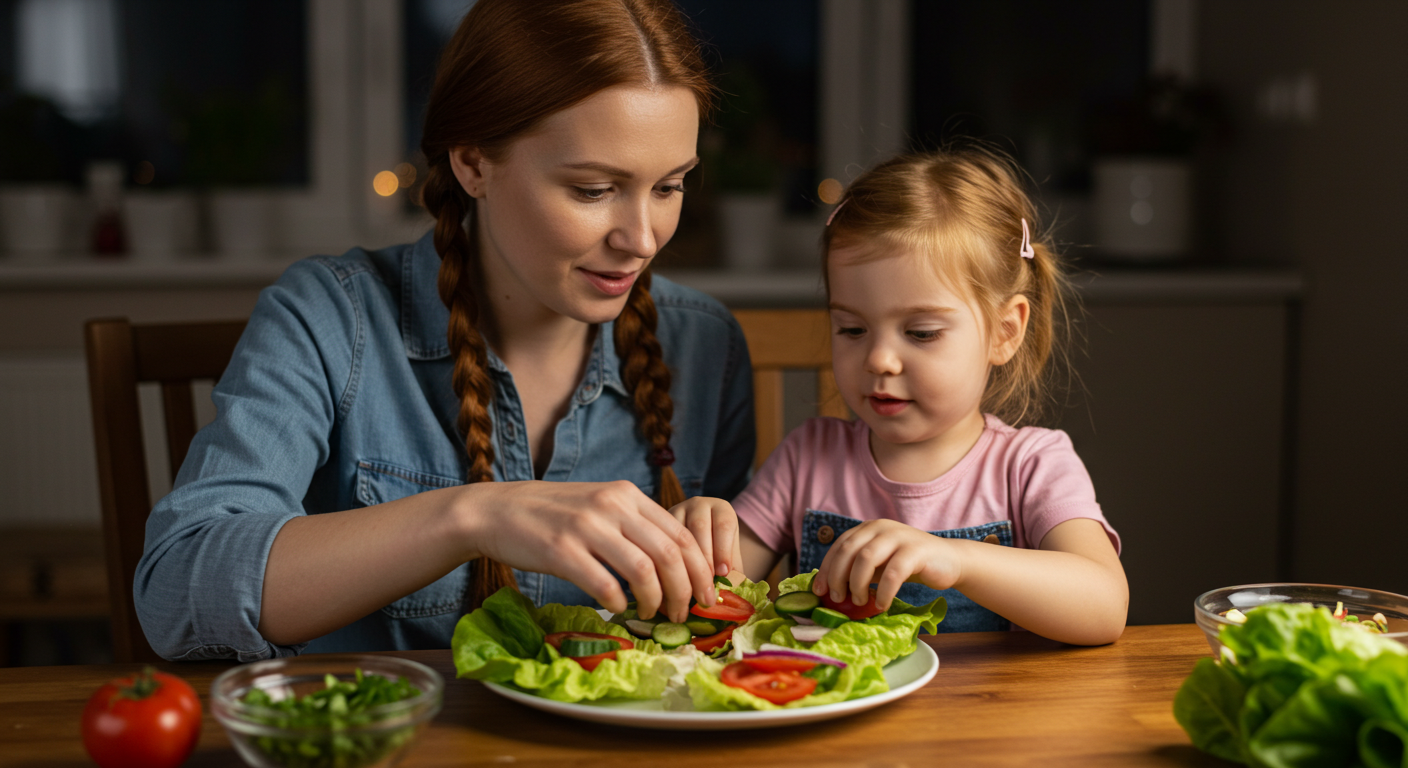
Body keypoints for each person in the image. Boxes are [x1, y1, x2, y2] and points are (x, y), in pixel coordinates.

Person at [134, 0, 754, 661]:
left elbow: (720, 641)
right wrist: (474, 516)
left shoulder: (705, 345)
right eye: (593, 189)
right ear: (472, 163)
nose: (642, 240)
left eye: (669, 187)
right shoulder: (330, 317)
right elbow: (176, 590)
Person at [681, 147, 1128, 645]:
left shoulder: (1031, 465)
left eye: (920, 333)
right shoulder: (807, 458)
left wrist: (958, 561)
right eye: (852, 329)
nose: (879, 360)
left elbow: (1104, 606)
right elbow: (716, 592)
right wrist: (696, 545)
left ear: (1004, 332)